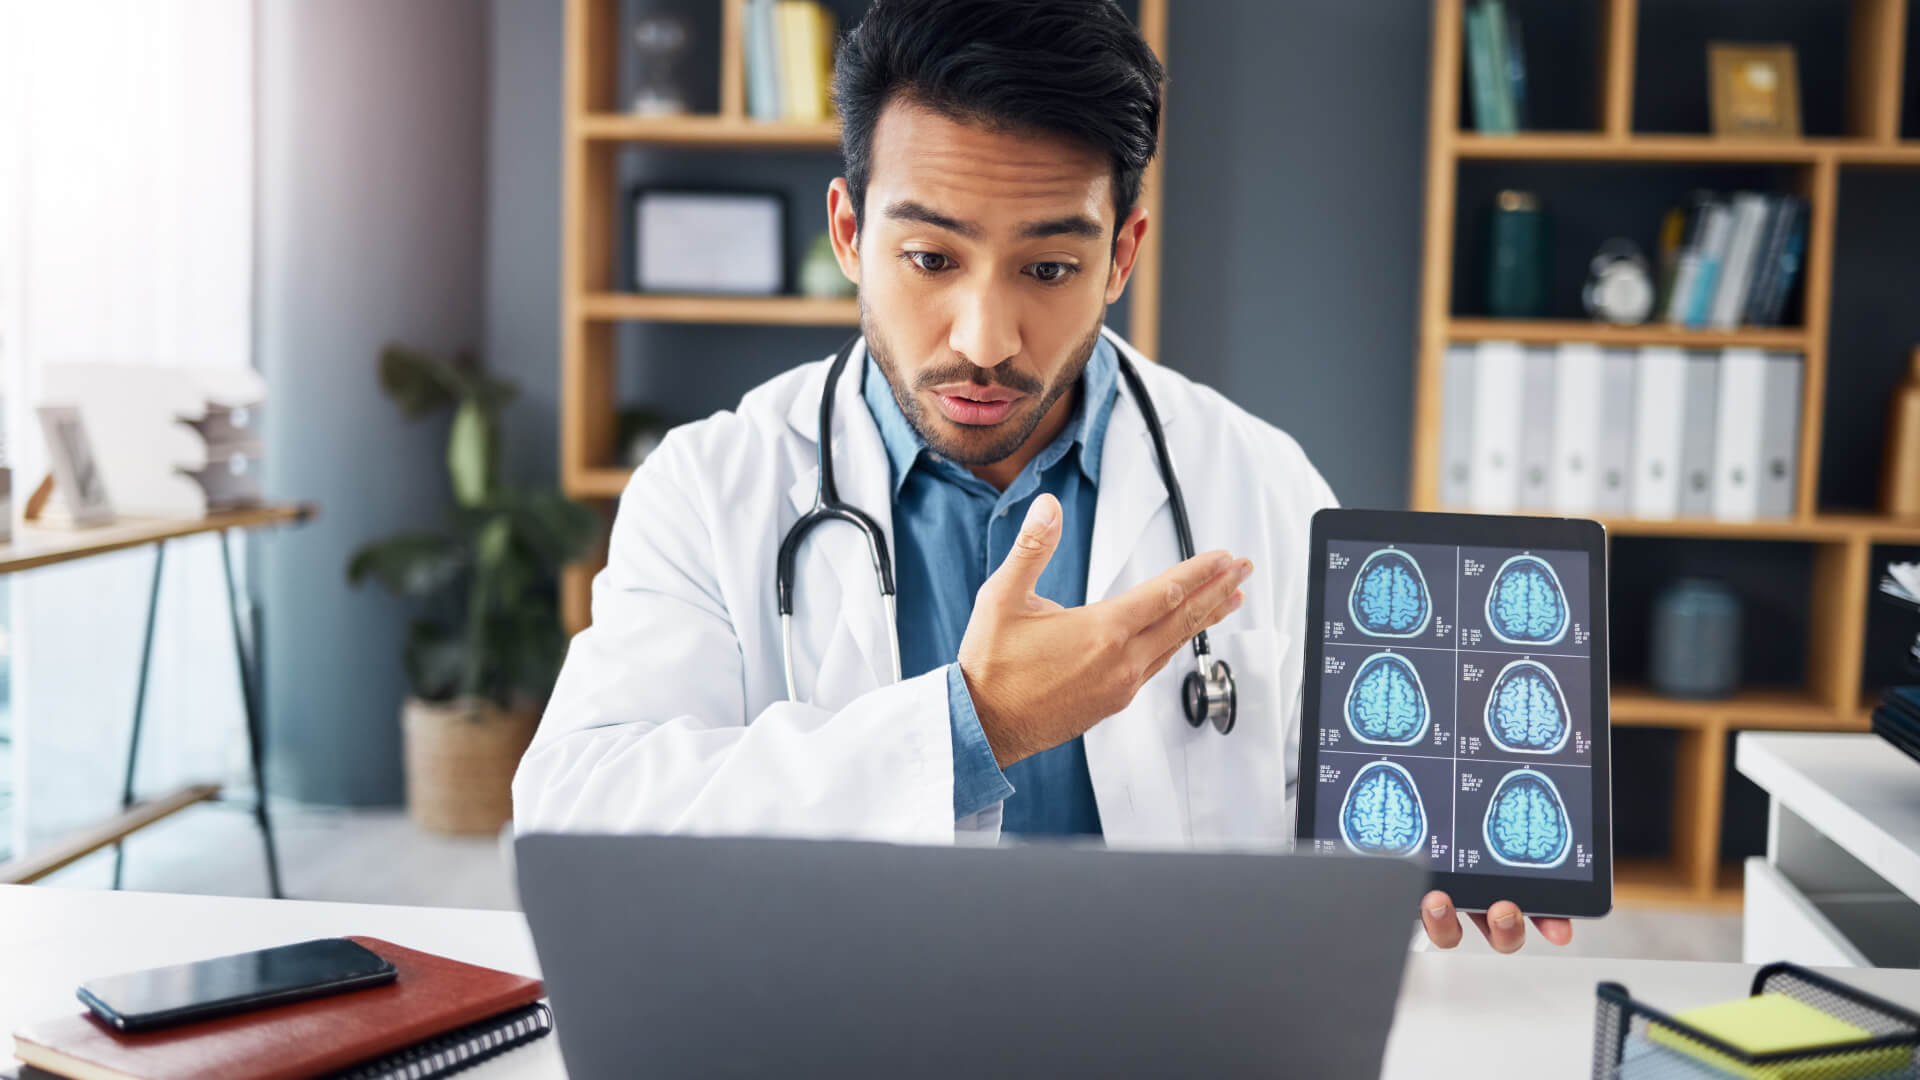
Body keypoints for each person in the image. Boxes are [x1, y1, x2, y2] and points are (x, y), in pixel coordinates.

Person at [513, 0, 1571, 954]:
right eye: (931, 258)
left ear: (1122, 255)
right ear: (848, 230)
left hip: (1162, 1035)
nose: (985, 338)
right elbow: (573, 817)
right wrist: (972, 727)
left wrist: (1422, 858)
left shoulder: (1258, 479)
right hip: (840, 1027)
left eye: (1051, 268)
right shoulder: (712, 486)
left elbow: (1321, 821)